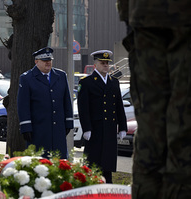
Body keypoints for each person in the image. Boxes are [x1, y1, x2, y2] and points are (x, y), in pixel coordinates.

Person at [116, 1, 191, 198]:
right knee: (181, 126)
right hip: (155, 20)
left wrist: (128, 15)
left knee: (152, 129)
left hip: (144, 17)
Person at [77, 50, 127, 183]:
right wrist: (86, 128)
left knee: (108, 162)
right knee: (94, 161)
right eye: (102, 63)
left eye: (107, 63)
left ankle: (107, 187)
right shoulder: (86, 82)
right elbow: (83, 108)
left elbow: (119, 106)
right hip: (95, 129)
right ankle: (92, 187)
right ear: (95, 65)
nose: (105, 65)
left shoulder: (113, 82)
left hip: (110, 128)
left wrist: (122, 127)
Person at [17, 47, 73, 159]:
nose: (48, 63)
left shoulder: (61, 76)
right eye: (44, 61)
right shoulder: (27, 78)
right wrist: (26, 127)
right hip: (38, 130)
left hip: (58, 130)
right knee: (40, 164)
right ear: (36, 61)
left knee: (59, 163)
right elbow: (23, 105)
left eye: (50, 60)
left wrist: (68, 122)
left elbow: (66, 100)